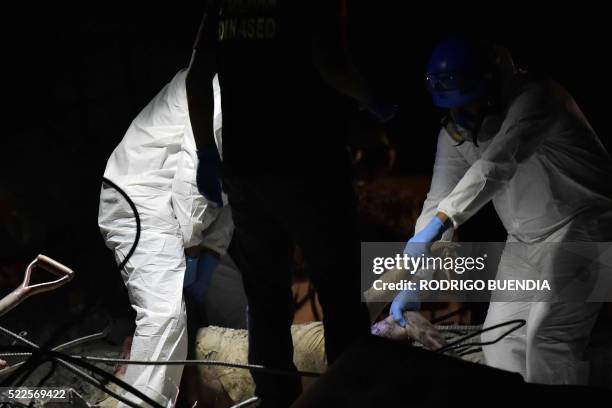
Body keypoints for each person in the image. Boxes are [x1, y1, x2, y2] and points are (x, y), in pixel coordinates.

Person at [186, 1, 396, 405]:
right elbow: (328, 61)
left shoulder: (223, 6)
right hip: (309, 167)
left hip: (246, 173)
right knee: (339, 293)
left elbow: (197, 78)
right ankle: (347, 397)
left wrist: (206, 154)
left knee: (265, 298)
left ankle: (274, 400)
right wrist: (373, 99)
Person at [390, 35, 612, 385]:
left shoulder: (537, 97)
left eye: (469, 104)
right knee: (500, 343)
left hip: (590, 227)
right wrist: (417, 281)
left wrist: (436, 227)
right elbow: (437, 202)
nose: (461, 117)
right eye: (452, 108)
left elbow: (495, 166)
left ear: (492, 88)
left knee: (547, 340)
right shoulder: (455, 133)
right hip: (524, 240)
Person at [98, 69, 234, 407]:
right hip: (140, 194)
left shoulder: (260, 106)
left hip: (174, 205)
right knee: (164, 314)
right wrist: (193, 248)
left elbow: (232, 195)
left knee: (231, 306)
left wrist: (211, 255)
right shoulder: (223, 92)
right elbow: (195, 176)